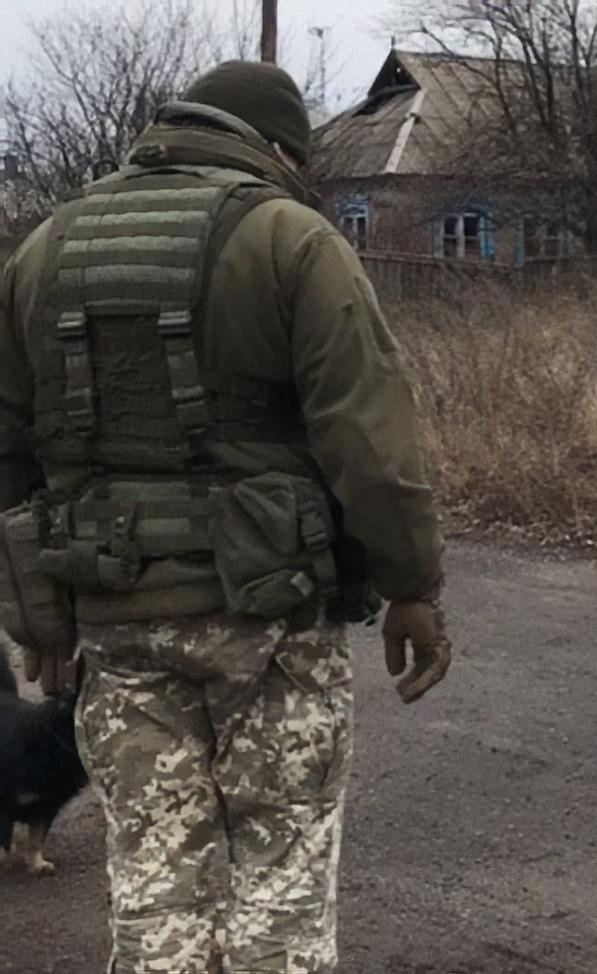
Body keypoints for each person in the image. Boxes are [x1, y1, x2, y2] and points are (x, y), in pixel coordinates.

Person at [0, 61, 450, 973]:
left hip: (113, 618)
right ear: (278, 148)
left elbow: (9, 453)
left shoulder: (44, 248)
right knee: (280, 867)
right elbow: (368, 441)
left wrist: (31, 612)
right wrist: (412, 588)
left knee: (153, 868)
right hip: (271, 615)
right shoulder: (294, 238)